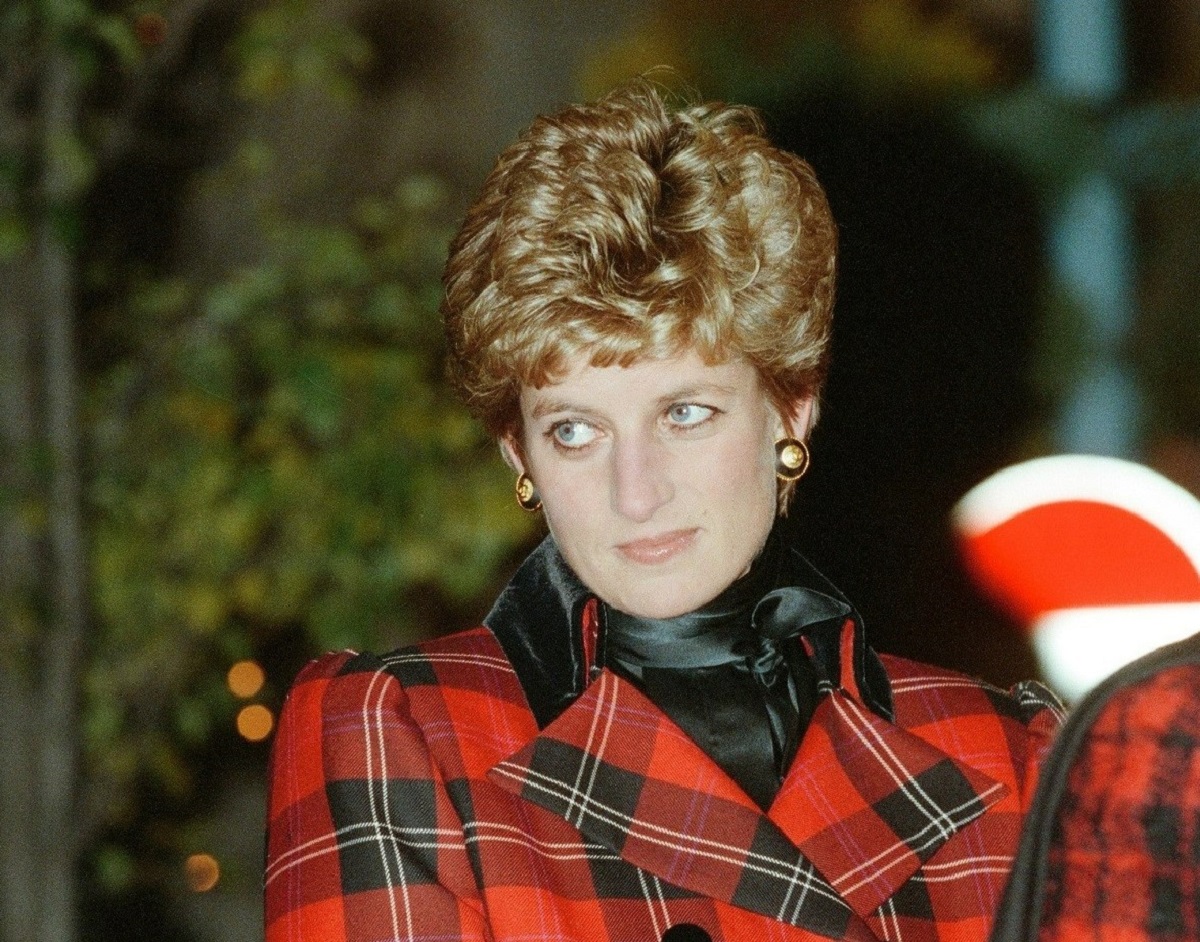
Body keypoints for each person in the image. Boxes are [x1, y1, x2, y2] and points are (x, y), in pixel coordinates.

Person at [264, 80, 1063, 942]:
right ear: (518, 454)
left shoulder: (1008, 755)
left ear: (790, 413)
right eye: (575, 430)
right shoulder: (405, 731)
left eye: (685, 414)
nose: (635, 492)